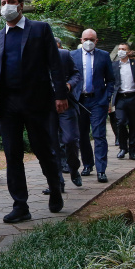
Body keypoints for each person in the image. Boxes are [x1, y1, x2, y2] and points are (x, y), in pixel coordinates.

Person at [0, 0, 68, 223]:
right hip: (8, 104)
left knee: (43, 150)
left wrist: (60, 95)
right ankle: (20, 205)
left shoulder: (40, 29)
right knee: (13, 155)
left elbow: (55, 64)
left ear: (21, 5)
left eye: (11, 1)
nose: (6, 6)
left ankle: (55, 188)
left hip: (37, 101)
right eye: (3, 2)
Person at [71, 29, 115, 183]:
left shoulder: (103, 56)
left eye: (91, 39)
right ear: (81, 40)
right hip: (79, 100)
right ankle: (87, 164)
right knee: (82, 135)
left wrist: (107, 97)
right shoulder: (72, 55)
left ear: (96, 41)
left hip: (98, 100)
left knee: (99, 135)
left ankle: (101, 170)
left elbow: (110, 79)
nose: (88, 41)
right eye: (85, 39)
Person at [43, 37, 83, 195]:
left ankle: (74, 169)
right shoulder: (34, 58)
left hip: (66, 105)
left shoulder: (64, 55)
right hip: (46, 107)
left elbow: (76, 75)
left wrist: (69, 84)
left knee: (70, 139)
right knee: (52, 146)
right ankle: (57, 182)